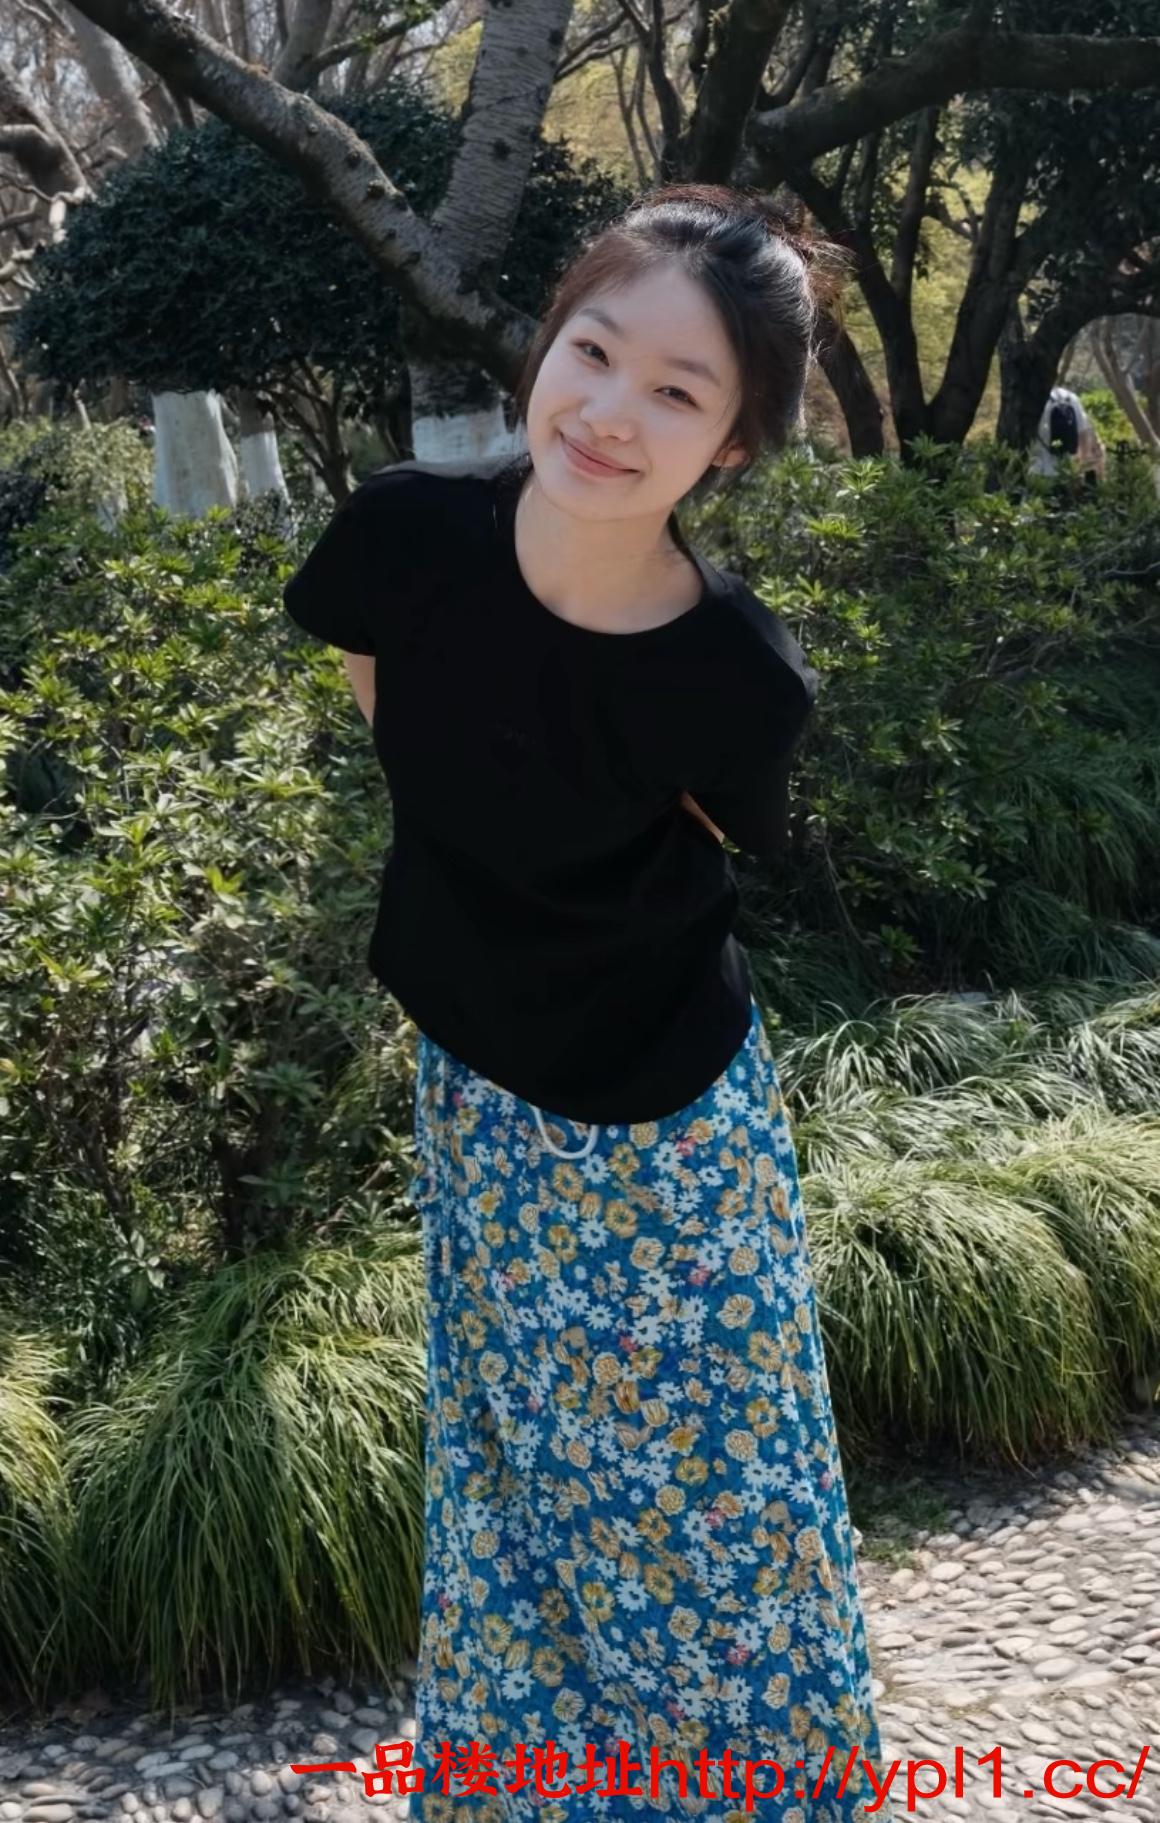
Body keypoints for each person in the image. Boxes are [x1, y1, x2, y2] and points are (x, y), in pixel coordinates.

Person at [283, 182, 895, 1823]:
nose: (612, 413)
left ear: (733, 446)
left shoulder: (738, 674)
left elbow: (696, 838)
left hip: (671, 1122)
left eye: (678, 392)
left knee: (714, 1507)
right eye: (594, 352)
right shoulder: (405, 538)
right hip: (479, 1087)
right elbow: (416, 735)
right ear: (546, 344)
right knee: (517, 1481)